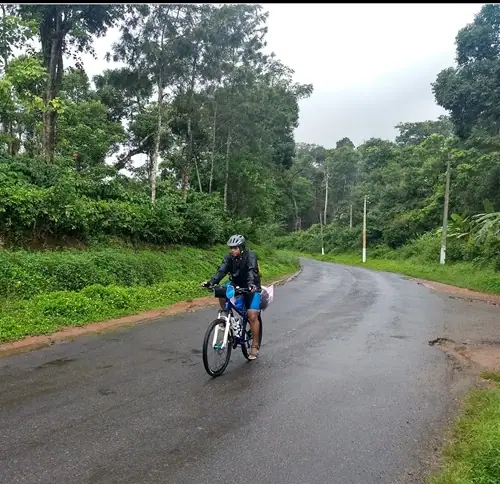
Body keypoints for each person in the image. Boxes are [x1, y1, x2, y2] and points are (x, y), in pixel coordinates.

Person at [201, 234, 262, 360]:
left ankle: (255, 346)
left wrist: (251, 285)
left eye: (235, 248)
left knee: (252, 315)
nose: (232, 250)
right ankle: (226, 317)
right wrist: (211, 282)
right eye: (231, 248)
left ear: (242, 247)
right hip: (236, 284)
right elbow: (221, 270)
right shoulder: (229, 257)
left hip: (252, 286)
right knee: (221, 292)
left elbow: (252, 271)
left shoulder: (251, 256)